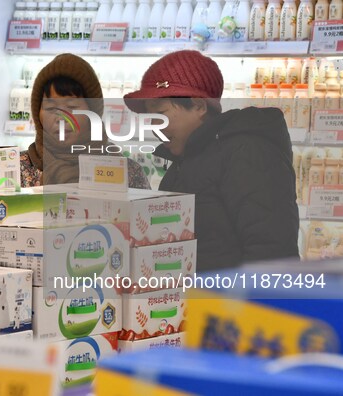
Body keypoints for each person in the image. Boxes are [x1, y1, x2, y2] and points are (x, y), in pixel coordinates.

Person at [124, 50, 299, 270]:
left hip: (228, 303)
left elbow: (272, 253)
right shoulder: (185, 161)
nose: (153, 127)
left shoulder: (247, 152)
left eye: (161, 114)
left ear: (199, 106)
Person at [21, 53, 150, 188]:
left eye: (72, 107)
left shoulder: (127, 173)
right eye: (51, 108)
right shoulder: (15, 169)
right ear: (38, 114)